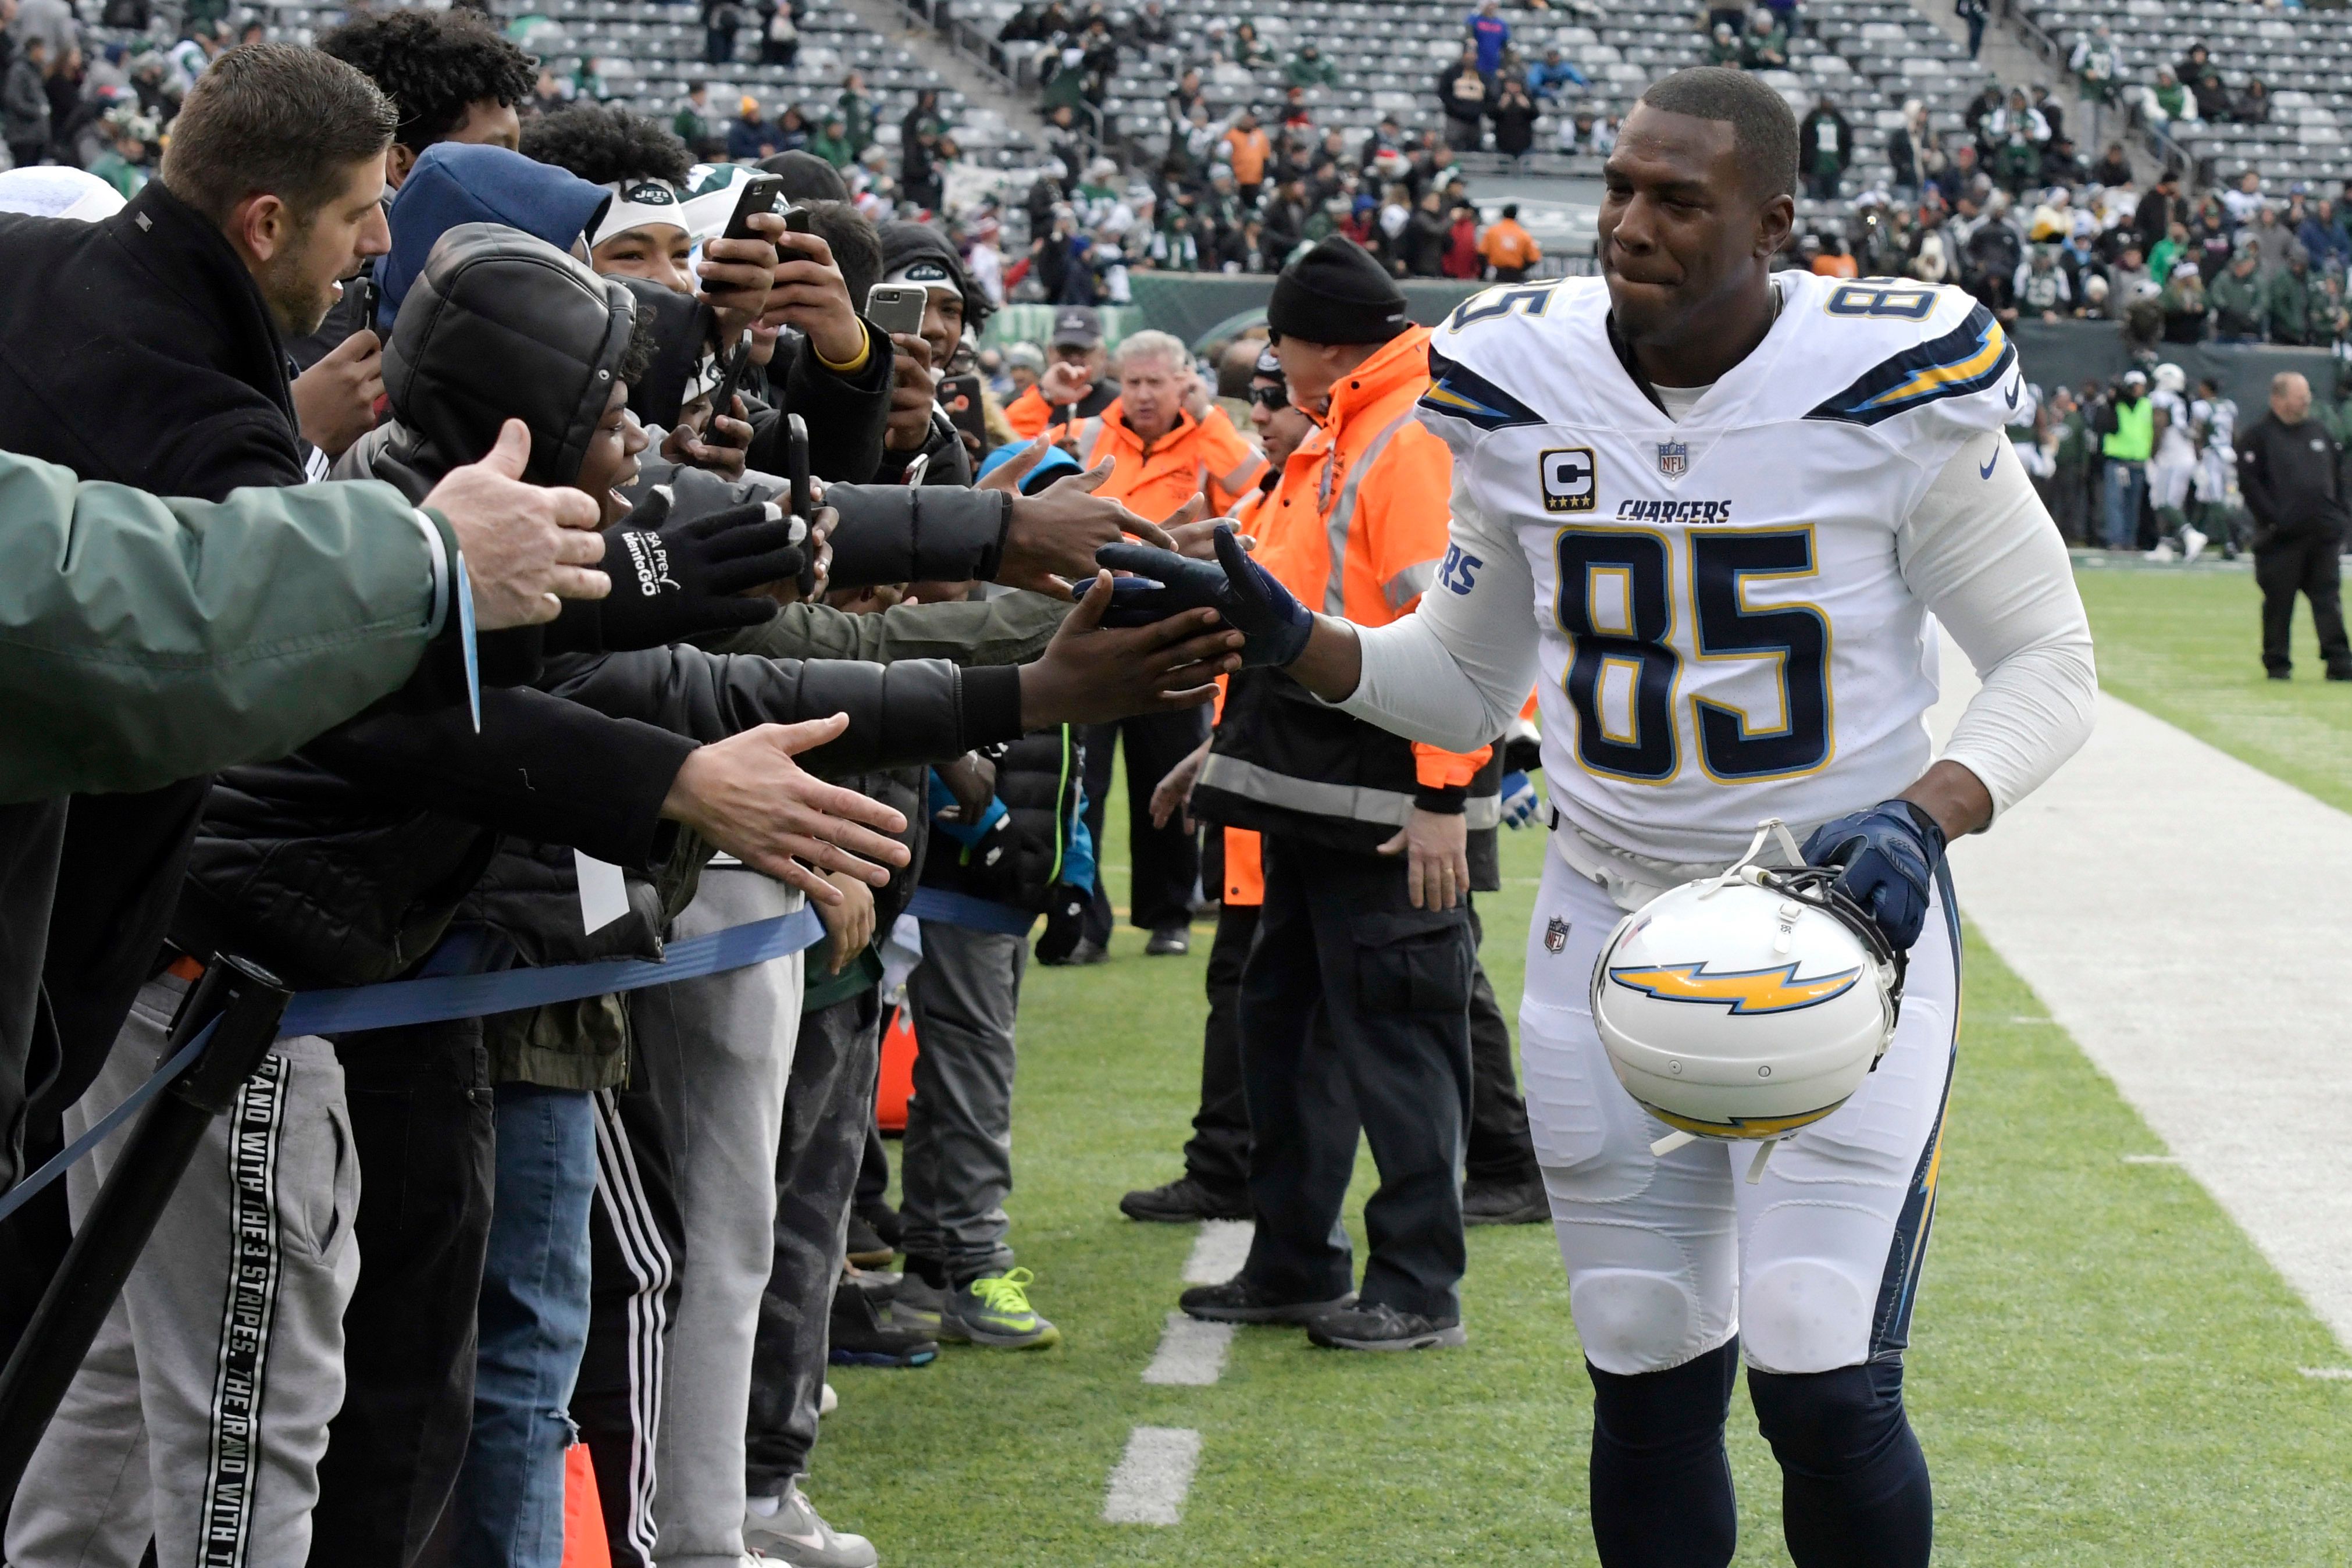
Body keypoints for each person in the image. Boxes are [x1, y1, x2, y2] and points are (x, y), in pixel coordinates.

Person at [1140, 65, 2094, 1566]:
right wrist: (1296, 641)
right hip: (1609, 910)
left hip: (1837, 920)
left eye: (1676, 199)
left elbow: (2046, 657)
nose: (1628, 226)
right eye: (1618, 190)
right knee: (1643, 1355)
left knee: (1812, 1359)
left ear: (1771, 221)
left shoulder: (1889, 391)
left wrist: (1923, 815)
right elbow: (1461, 686)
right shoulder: (1521, 381)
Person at [1167, 236, 1499, 1353]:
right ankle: (1294, 1260)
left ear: (1320, 342)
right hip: (1316, 789)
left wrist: (1444, 795)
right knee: (1285, 1032)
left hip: (1387, 799)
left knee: (1400, 1045)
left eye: (1277, 336)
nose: (1271, 359)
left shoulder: (1403, 436)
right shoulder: (1351, 427)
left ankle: (1417, 1287)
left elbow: (1454, 636)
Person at [2237, 370, 2352, 680]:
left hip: (2322, 536)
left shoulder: (2319, 432)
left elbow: (2339, 477)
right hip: (2280, 540)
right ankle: (2278, 663)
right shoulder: (2258, 436)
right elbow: (2249, 483)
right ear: (2279, 398)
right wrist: (2273, 519)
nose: (2306, 401)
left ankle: (2339, 661)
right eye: (2300, 396)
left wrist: (2340, 516)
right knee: (2278, 604)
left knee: (2328, 600)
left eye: (2307, 396)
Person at [2094, 368, 2153, 549]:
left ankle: (2129, 540)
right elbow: (2105, 424)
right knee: (2115, 502)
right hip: (2118, 459)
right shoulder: (2115, 404)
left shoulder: (2146, 405)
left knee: (2132, 504)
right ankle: (2116, 540)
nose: (2139, 390)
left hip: (2138, 460)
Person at [1479, 201, 1541, 280]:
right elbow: (1534, 258)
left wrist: (1483, 274)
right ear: (1516, 216)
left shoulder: (1492, 232)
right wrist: (1521, 270)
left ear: (1503, 214)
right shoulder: (1523, 234)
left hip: (1497, 274)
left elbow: (1482, 254)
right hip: (1516, 275)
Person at [1466, 0, 1510, 78]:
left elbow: (1505, 47)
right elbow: (1469, 36)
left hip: (1494, 66)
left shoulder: (1501, 24)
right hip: (1477, 64)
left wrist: (1503, 68)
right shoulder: (1475, 20)